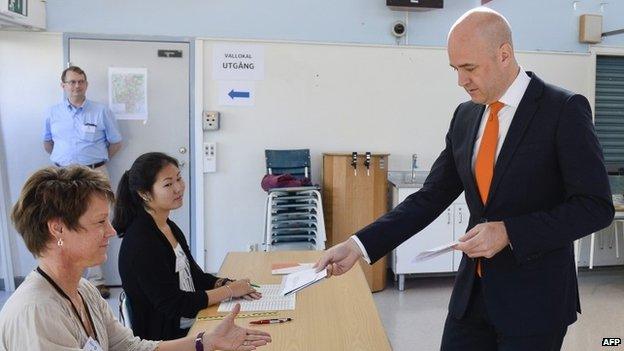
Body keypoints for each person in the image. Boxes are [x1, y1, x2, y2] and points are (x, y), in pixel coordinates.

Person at [315, 8, 614, 351]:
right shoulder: (465, 116)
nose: (461, 80)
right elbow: (431, 196)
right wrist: (358, 245)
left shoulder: (563, 109)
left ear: (504, 54)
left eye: (469, 68)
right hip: (471, 298)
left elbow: (595, 207)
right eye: (455, 69)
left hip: (535, 303)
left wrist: (509, 232)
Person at [0, 166, 271, 351]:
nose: (111, 231)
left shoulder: (83, 290)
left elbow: (132, 348)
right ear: (57, 228)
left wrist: (204, 342)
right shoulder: (36, 311)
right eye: (100, 222)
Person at [114, 152, 261, 341]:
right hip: (168, 337)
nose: (178, 188)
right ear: (144, 193)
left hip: (188, 323)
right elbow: (174, 303)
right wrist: (230, 291)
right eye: (168, 184)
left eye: (179, 179)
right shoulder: (142, 242)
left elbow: (195, 277)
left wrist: (227, 283)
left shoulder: (167, 226)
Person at [43, 65, 123, 298]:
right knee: (62, 225)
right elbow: (48, 143)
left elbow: (115, 143)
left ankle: (97, 281)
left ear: (86, 85)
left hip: (94, 175)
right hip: (62, 178)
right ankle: (65, 277)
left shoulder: (100, 111)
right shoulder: (53, 112)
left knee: (96, 224)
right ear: (63, 86)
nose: (76, 85)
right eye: (72, 82)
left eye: (81, 81)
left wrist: (94, 161)